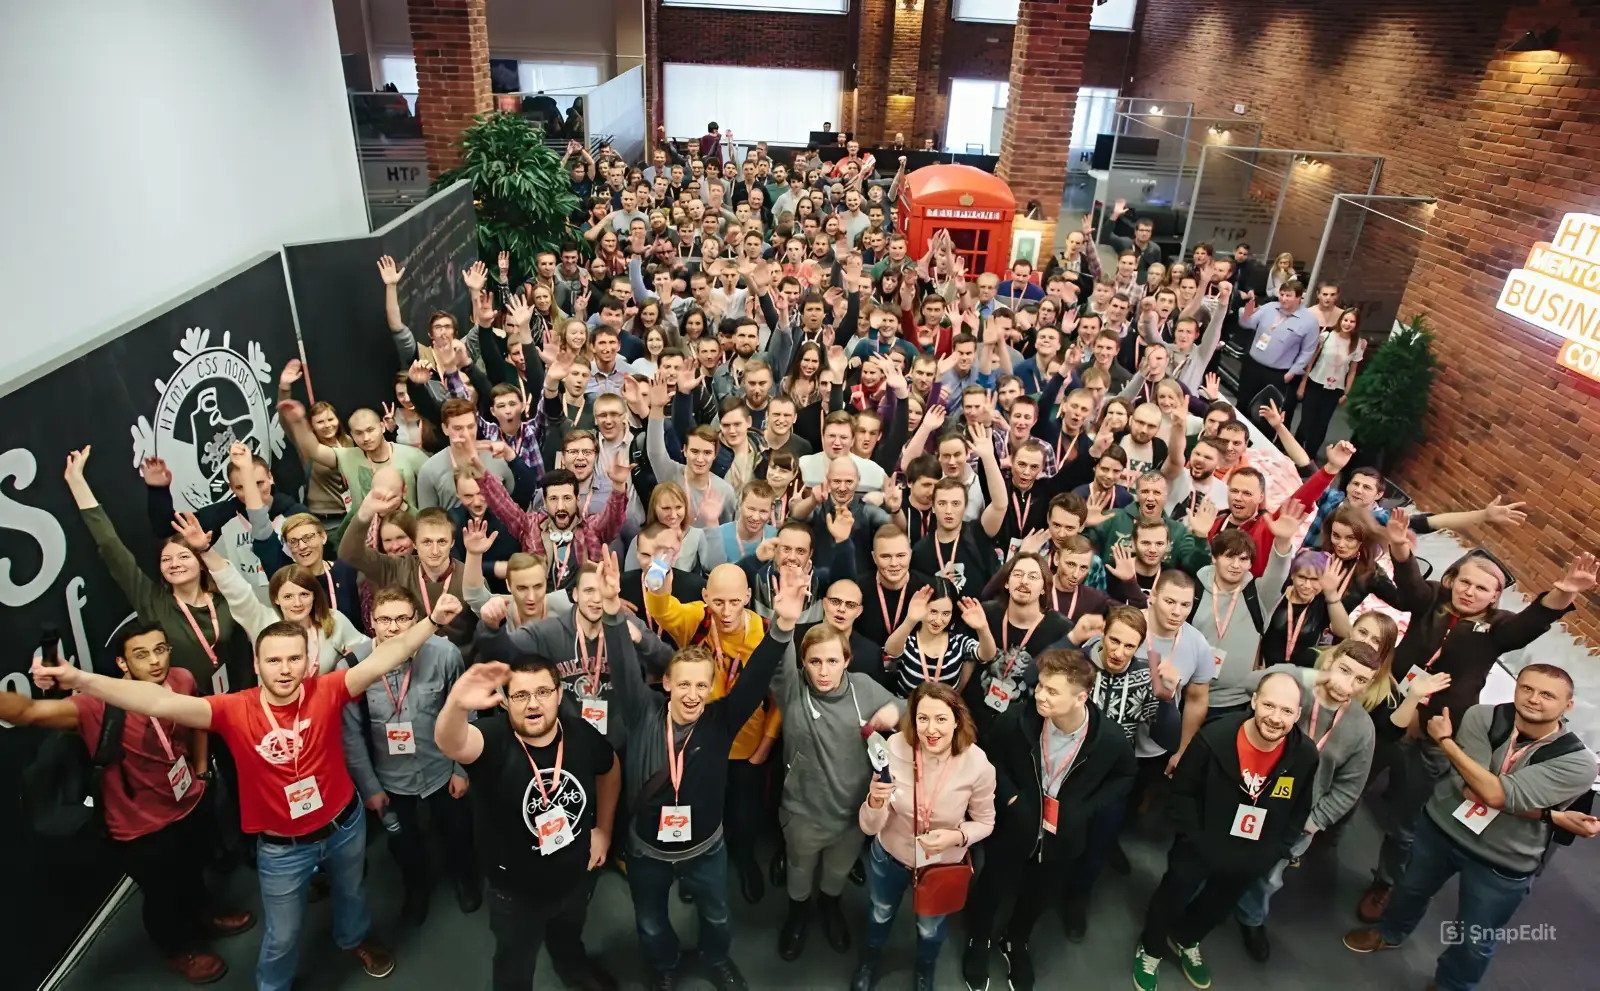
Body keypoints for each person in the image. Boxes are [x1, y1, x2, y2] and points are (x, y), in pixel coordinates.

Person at [31, 590, 466, 991]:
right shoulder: (232, 709)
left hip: (344, 826)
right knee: (283, 934)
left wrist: (430, 620)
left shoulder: (328, 690)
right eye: (273, 660)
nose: (285, 669)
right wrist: (80, 679)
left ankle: (354, 941)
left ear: (306, 663)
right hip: (282, 849)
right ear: (257, 665)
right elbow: (154, 701)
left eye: (294, 659)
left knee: (353, 896)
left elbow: (387, 656)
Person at [1355, 518, 1594, 924]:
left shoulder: (1498, 629)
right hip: (1388, 711)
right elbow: (1410, 587)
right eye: (1465, 582)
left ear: (1496, 597)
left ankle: (1385, 883)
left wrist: (1562, 592)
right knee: (1354, 775)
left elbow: (1529, 624)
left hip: (1434, 733)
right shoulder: (1430, 599)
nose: (1470, 591)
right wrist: (1400, 549)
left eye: (1482, 588)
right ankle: (1319, 832)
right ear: (1451, 581)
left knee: (1408, 817)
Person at [5, 622, 252, 983]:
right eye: (141, 654)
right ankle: (178, 947)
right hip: (141, 828)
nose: (154, 661)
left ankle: (204, 914)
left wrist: (200, 771)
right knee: (162, 894)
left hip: (189, 802)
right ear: (122, 663)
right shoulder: (95, 706)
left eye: (160, 649)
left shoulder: (181, 679)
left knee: (194, 870)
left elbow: (199, 720)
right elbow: (26, 712)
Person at [1343, 664, 1600, 990]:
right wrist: (1549, 814)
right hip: (1441, 829)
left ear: (1568, 705)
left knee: (1474, 938)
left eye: (1547, 695)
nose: (1533, 699)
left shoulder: (1577, 762)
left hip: (1503, 859)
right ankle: (1390, 933)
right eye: (1527, 688)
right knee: (1409, 889)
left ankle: (1452, 984)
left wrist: (1446, 741)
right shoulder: (1484, 717)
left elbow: (1492, 793)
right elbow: (1474, 790)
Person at [614, 550, 799, 991]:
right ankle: (664, 968)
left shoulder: (721, 719)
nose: (694, 694)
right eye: (685, 684)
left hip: (705, 848)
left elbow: (755, 679)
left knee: (717, 914)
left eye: (703, 684)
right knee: (651, 922)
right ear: (666, 684)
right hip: (648, 852)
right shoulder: (644, 716)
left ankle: (716, 960)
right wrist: (608, 615)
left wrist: (784, 626)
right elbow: (624, 670)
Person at [434, 651, 622, 991]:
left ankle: (573, 968)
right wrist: (457, 705)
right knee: (514, 964)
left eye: (543, 692)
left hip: (575, 875)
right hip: (515, 894)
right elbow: (452, 742)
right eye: (520, 695)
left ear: (559, 694)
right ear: (505, 702)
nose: (533, 704)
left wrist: (604, 830)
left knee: (569, 937)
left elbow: (609, 769)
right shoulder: (492, 739)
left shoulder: (578, 732)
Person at [1132, 672, 1320, 991]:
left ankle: (1186, 938)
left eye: (1287, 711)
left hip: (1252, 851)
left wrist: (1274, 850)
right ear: (1254, 701)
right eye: (1269, 705)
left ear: (1298, 715)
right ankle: (1150, 947)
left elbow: (1299, 807)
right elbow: (1182, 793)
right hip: (1199, 843)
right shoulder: (1214, 739)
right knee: (1173, 893)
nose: (1276, 718)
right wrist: (1196, 839)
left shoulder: (1305, 755)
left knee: (1218, 904)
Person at [962, 648, 1136, 991]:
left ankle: (1016, 940)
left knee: (1039, 892)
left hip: (1064, 835)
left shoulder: (1109, 740)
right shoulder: (1017, 720)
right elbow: (989, 758)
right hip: (1015, 824)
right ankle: (978, 939)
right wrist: (1011, 796)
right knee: (993, 883)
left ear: (1081, 697)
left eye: (1052, 691)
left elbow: (1126, 776)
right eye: (1041, 686)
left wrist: (1086, 807)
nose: (1039, 694)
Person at [1235, 642, 1382, 960]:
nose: (1349, 684)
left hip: (1296, 818)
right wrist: (1313, 676)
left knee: (1269, 876)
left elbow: (1348, 788)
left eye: (1360, 680)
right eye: (1345, 670)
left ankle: (1251, 918)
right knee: (1226, 849)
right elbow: (1249, 684)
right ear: (1331, 662)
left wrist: (1312, 823)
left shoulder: (1361, 728)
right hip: (1250, 791)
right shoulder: (1295, 686)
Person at [338, 587, 476, 925]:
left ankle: (465, 878)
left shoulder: (445, 654)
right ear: (371, 621)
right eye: (384, 619)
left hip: (441, 767)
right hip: (390, 778)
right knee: (403, 842)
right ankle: (416, 888)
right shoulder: (353, 666)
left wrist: (461, 767)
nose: (394, 627)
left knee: (457, 831)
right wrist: (370, 788)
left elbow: (464, 712)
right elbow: (351, 735)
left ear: (417, 619)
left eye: (402, 618)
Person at [66, 447, 250, 695]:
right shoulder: (152, 601)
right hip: (179, 707)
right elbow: (111, 547)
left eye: (184, 557)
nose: (175, 563)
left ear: (201, 563)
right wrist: (77, 483)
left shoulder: (224, 598)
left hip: (231, 700)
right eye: (167, 559)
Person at [772, 621, 903, 961]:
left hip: (851, 812)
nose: (824, 671)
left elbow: (906, 707)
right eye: (815, 662)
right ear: (803, 662)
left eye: (833, 661)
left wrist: (895, 710)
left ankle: (830, 906)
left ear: (847, 660)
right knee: (799, 870)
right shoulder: (791, 688)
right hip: (803, 811)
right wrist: (784, 620)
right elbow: (778, 649)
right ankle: (797, 912)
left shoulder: (863, 687)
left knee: (837, 871)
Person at [855, 682, 997, 991]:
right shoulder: (893, 749)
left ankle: (925, 968)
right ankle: (871, 959)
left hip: (940, 864)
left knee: (930, 927)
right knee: (880, 913)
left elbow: (986, 823)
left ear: (957, 719)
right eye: (922, 718)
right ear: (912, 719)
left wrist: (956, 837)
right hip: (891, 854)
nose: (931, 729)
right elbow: (868, 826)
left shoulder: (978, 764)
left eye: (941, 719)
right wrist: (875, 800)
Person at [883, 581, 995, 698]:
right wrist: (910, 619)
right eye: (933, 611)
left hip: (944, 713)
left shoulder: (957, 642)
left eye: (946, 613)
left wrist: (983, 628)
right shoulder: (908, 640)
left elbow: (987, 655)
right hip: (907, 712)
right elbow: (890, 650)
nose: (938, 620)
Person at [1234, 280, 1321, 412]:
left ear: (1299, 297)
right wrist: (1246, 314)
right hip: (1252, 365)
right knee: (1242, 404)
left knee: (1264, 413)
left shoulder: (1309, 321)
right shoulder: (1269, 307)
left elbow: (1308, 351)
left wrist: (1291, 373)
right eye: (1282, 294)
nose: (1284, 299)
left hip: (1277, 373)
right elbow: (1247, 324)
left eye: (1288, 295)